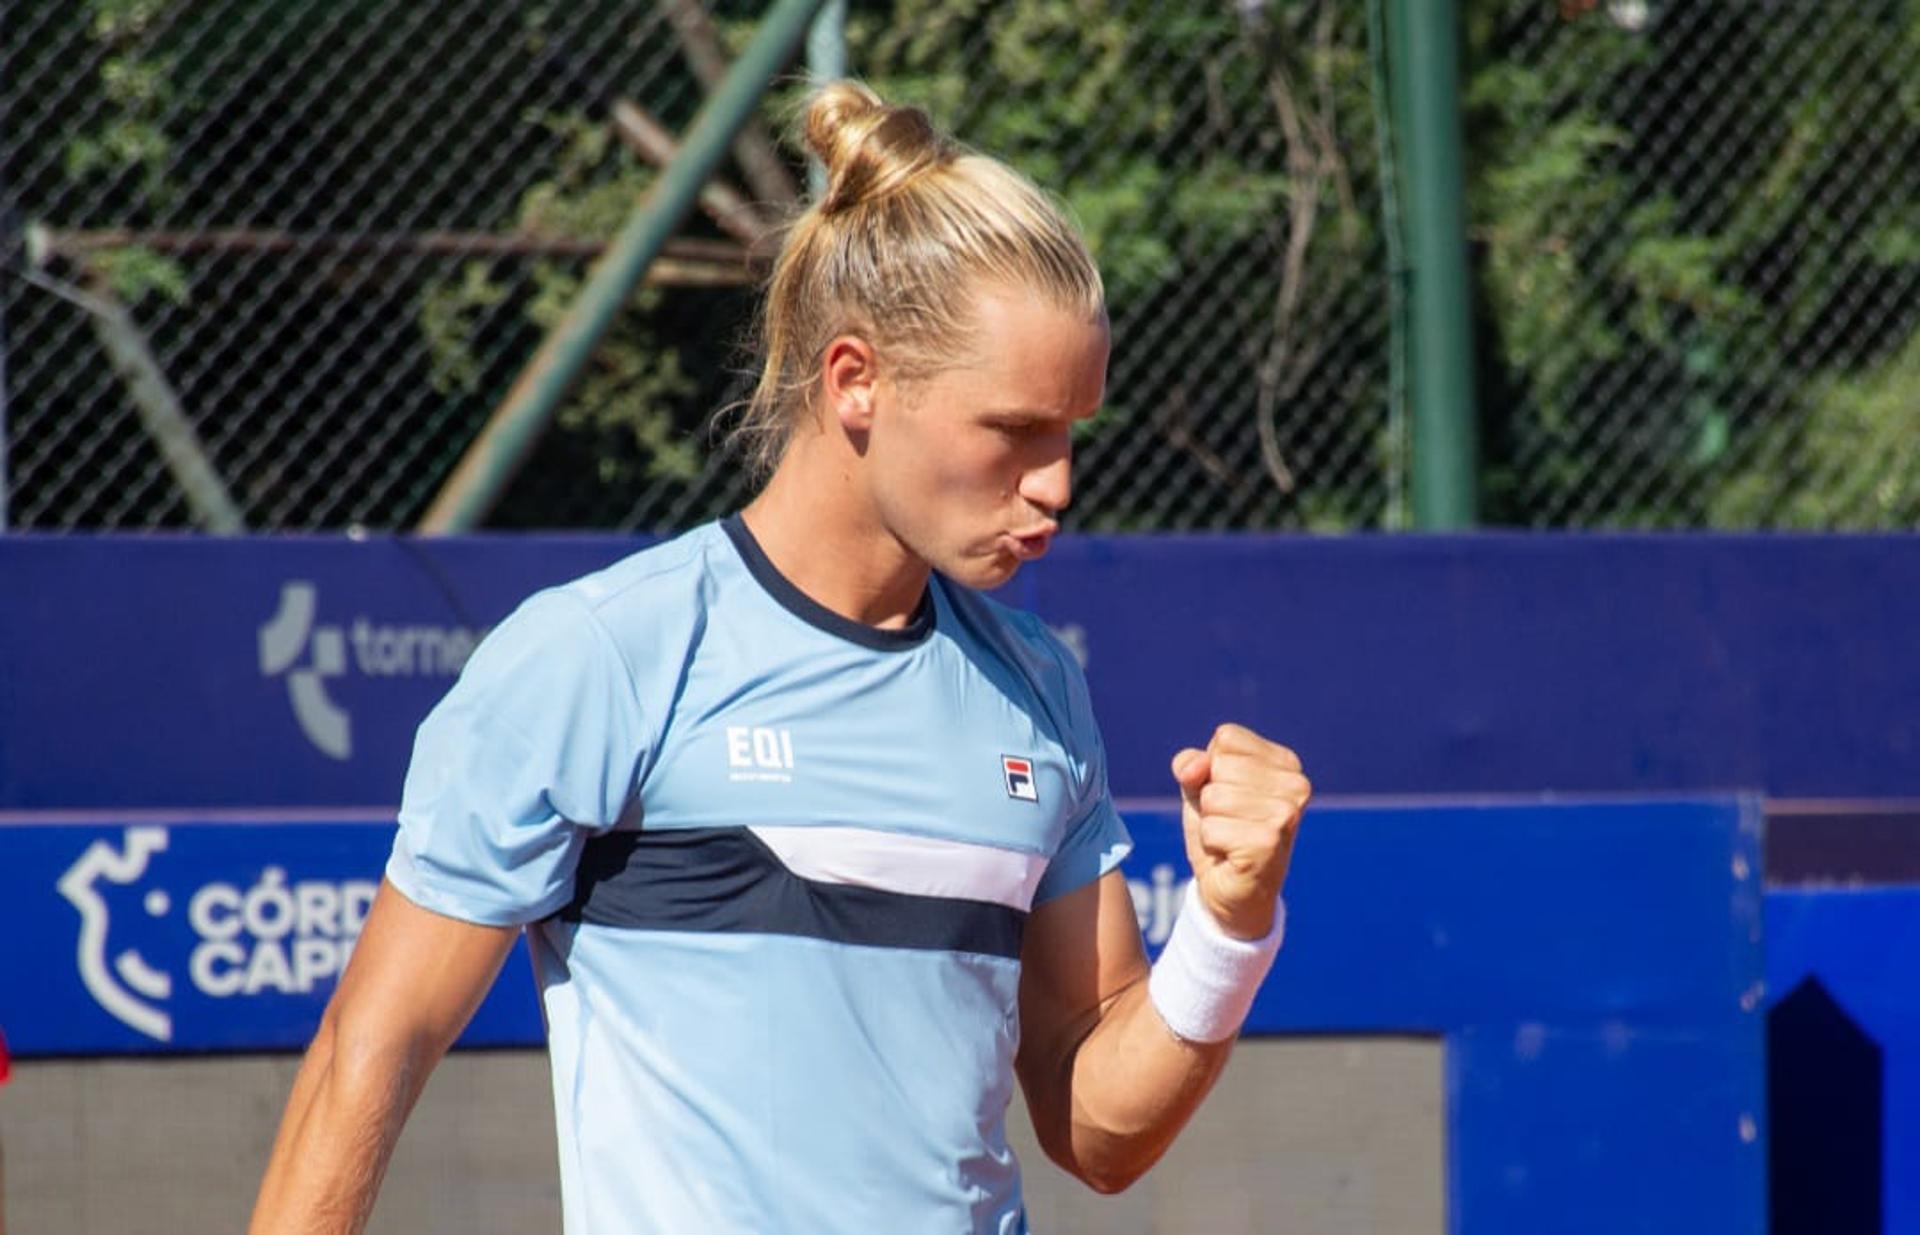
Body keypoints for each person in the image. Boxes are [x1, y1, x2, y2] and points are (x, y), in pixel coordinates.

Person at [249, 81, 1309, 1235]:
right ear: (856, 380)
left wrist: (1229, 925)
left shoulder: (1041, 691)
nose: (1056, 481)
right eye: (1012, 429)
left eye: (1071, 433)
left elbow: (1095, 1129)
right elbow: (372, 1044)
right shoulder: (606, 656)